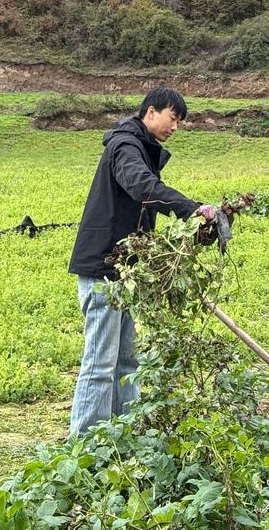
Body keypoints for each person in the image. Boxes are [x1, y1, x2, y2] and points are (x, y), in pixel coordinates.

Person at [67, 86, 214, 436]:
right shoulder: (125, 146)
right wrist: (191, 209)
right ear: (150, 112)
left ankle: (124, 432)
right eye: (172, 118)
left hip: (128, 272)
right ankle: (85, 445)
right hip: (105, 270)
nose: (175, 127)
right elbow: (141, 186)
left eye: (179, 122)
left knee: (127, 361)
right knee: (101, 364)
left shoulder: (140, 147)